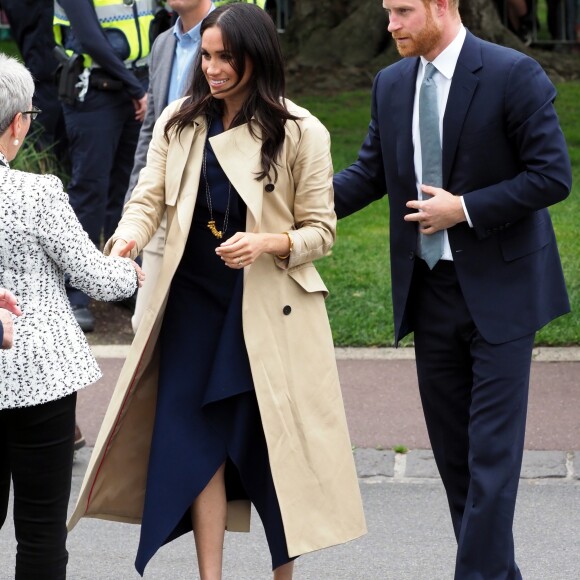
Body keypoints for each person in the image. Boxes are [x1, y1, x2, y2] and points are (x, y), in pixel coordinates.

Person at [68, 4, 366, 578]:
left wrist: (267, 244)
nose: (213, 67)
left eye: (227, 56)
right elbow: (148, 196)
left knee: (270, 444)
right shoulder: (180, 119)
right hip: (191, 302)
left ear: (258, 56)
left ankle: (285, 574)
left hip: (264, 307)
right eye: (207, 55)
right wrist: (127, 238)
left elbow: (321, 232)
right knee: (194, 438)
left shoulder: (302, 130)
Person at [333, 1, 571, 578]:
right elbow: (369, 174)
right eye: (388, 11)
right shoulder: (391, 83)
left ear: (443, 5)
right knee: (457, 463)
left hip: (503, 292)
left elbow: (552, 176)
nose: (390, 24)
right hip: (429, 292)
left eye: (404, 11)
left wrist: (464, 208)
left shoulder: (514, 73)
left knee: (491, 458)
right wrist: (291, 210)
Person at [0, 53, 144, 580]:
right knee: (40, 528)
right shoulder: (36, 193)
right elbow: (96, 278)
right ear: (17, 123)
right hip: (39, 375)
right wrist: (129, 271)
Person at [53, 0, 157, 332]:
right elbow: (89, 37)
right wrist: (135, 87)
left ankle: (120, 280)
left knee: (129, 189)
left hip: (135, 88)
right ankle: (75, 293)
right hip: (95, 90)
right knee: (90, 192)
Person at [126, 0, 215, 332]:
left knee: (198, 323)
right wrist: (134, 198)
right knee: (145, 322)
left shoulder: (230, 32)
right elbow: (150, 129)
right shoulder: (164, 42)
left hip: (212, 204)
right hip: (163, 199)